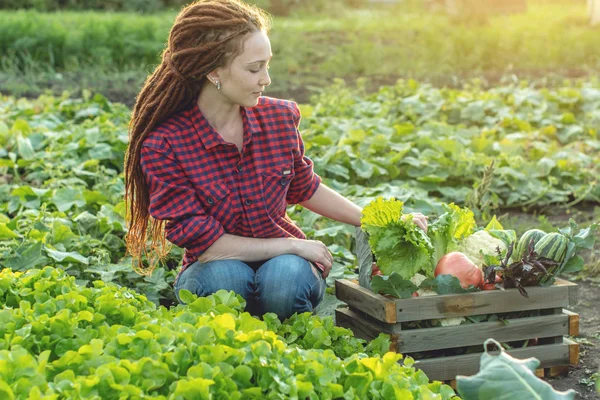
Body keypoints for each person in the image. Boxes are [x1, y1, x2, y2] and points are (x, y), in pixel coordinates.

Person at [123, 0, 428, 320]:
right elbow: (210, 247)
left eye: (267, 65)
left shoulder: (277, 118)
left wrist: (378, 221)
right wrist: (293, 245)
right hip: (214, 264)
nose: (266, 78)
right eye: (255, 68)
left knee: (284, 281)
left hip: (285, 266)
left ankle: (290, 353)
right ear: (213, 71)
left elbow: (305, 188)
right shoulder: (165, 144)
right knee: (226, 282)